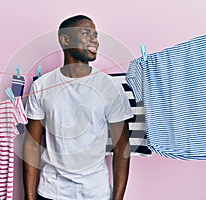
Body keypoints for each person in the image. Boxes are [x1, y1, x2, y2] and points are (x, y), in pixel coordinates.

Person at [23, 15, 133, 200]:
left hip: (95, 193)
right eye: (86, 33)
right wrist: (29, 197)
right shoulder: (42, 86)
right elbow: (31, 146)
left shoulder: (110, 87)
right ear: (65, 40)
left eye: (96, 35)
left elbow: (122, 147)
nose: (94, 40)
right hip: (51, 191)